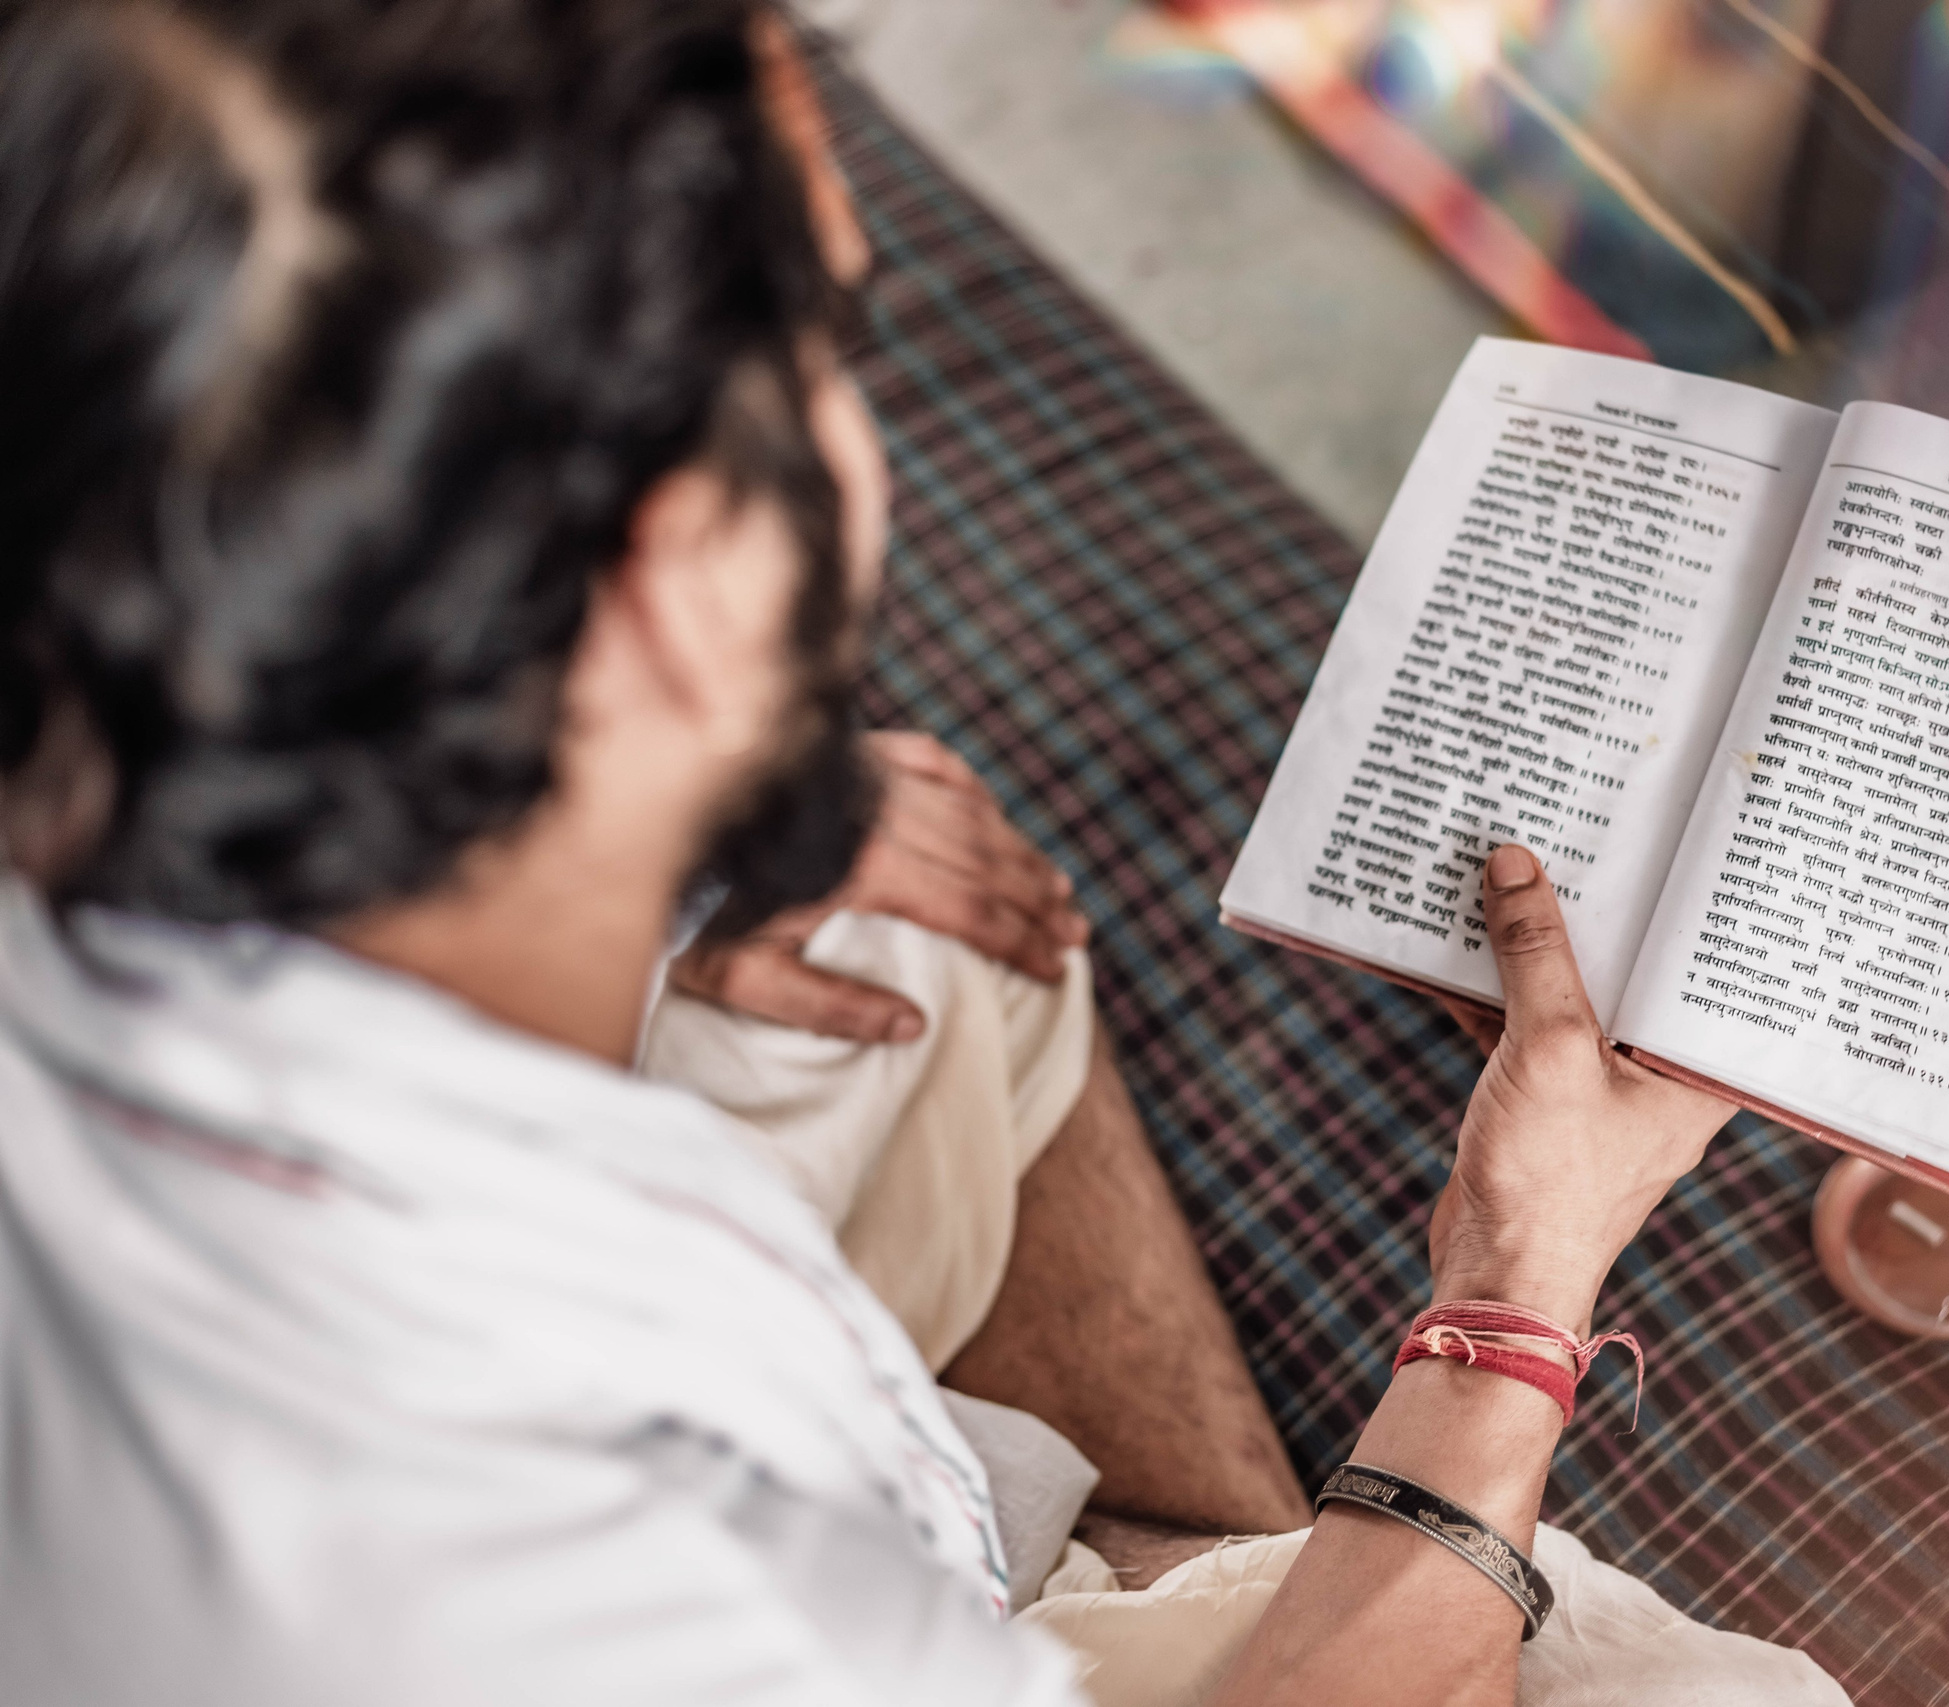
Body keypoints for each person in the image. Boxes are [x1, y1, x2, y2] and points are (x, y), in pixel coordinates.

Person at [0, 0, 1848, 1701]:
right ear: (672, 581)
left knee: (911, 920)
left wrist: (663, 869)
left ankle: (1209, 1556)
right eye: (835, 347)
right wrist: (1514, 1291)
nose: (860, 423)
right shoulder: (599, 1571)